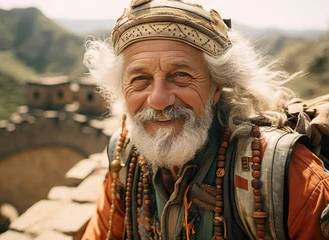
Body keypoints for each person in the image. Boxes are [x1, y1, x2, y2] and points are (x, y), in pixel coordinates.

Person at [81, 0, 329, 239]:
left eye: (180, 75)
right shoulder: (125, 157)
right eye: (140, 79)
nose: (158, 100)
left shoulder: (288, 175)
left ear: (216, 87)